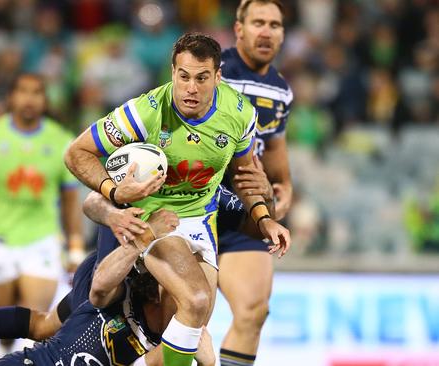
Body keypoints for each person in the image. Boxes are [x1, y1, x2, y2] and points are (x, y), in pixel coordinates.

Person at [64, 32, 290, 366]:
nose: (191, 88)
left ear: (217, 77)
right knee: (196, 299)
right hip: (155, 220)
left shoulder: (240, 114)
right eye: (183, 77)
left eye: (201, 78)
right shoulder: (146, 112)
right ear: (173, 73)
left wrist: (264, 218)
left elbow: (246, 178)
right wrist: (114, 191)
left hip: (200, 222)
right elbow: (76, 153)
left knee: (195, 336)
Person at [0, 209, 216, 366]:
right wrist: (141, 234)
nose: (193, 306)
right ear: (161, 289)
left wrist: (209, 362)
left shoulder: (184, 334)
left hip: (106, 285)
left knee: (43, 325)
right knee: (118, 208)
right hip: (109, 275)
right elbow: (101, 284)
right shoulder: (121, 296)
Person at [0, 73, 85, 350]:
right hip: (1, 242)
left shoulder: (63, 142)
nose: (29, 99)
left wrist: (75, 248)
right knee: (5, 332)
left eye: (36, 92)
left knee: (35, 330)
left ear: (45, 100)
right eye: (22, 91)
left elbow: (70, 202)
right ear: (10, 97)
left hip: (43, 241)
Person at [215, 1, 294, 365]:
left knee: (253, 312)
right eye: (258, 22)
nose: (266, 31)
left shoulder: (280, 90)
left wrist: (284, 188)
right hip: (195, 205)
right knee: (176, 321)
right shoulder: (213, 73)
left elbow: (274, 149)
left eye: (274, 25)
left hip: (245, 217)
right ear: (239, 29)